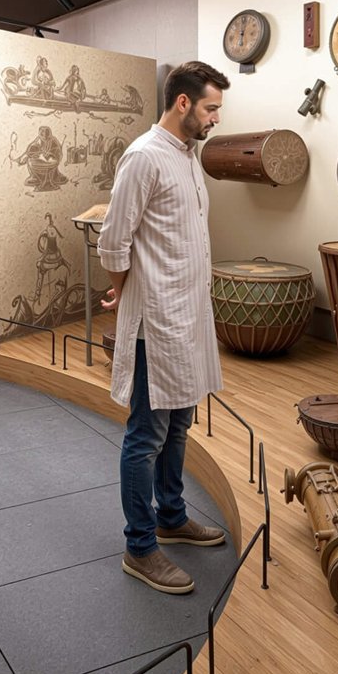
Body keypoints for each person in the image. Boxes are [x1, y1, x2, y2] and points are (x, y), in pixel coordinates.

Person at [97, 61, 230, 595]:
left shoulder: (188, 156)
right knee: (146, 435)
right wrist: (126, 290)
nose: (216, 118)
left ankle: (171, 516)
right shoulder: (144, 156)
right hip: (157, 323)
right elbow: (113, 242)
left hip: (189, 319)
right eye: (211, 108)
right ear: (183, 103)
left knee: (178, 426)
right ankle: (140, 546)